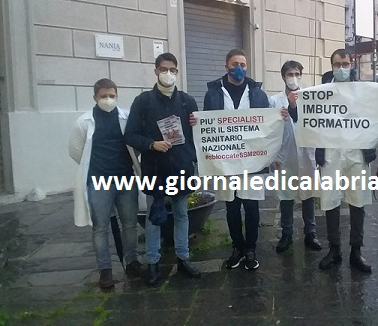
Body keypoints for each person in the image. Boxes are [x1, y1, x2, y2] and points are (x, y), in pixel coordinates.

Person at [203, 49, 288, 270]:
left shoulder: (258, 93)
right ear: (226, 66)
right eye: (234, 63)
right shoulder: (213, 92)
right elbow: (207, 127)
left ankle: (251, 249)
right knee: (231, 206)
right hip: (226, 161)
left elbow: (267, 125)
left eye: (242, 63)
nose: (239, 67)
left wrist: (280, 118)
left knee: (251, 207)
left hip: (252, 162)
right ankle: (237, 248)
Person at [124, 53, 201, 286]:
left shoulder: (187, 101)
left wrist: (199, 127)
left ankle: (183, 259)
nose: (168, 74)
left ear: (177, 72)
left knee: (181, 214)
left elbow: (196, 136)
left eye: (172, 70)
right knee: (153, 218)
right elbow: (130, 135)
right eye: (164, 69)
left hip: (181, 166)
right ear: (156, 71)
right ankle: (154, 263)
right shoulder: (143, 101)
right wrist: (151, 144)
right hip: (155, 168)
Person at [316, 49, 378, 273]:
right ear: (331, 65)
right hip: (330, 152)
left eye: (344, 63)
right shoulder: (320, 91)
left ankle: (356, 250)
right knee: (330, 201)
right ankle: (334, 249)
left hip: (357, 153)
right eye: (336, 64)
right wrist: (294, 106)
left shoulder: (364, 90)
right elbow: (304, 118)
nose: (341, 68)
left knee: (357, 201)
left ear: (351, 64)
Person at [68, 78, 142, 288]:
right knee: (100, 227)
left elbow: (134, 145)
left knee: (129, 223)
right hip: (99, 181)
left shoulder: (126, 118)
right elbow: (76, 151)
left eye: (112, 96)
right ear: (95, 97)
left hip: (126, 179)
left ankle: (133, 262)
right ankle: (105, 271)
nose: (108, 100)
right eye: (103, 96)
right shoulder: (84, 122)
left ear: (117, 96)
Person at [269, 60, 322, 253]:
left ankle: (310, 233)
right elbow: (270, 131)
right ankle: (287, 234)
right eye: (290, 74)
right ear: (283, 76)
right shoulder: (274, 101)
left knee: (308, 195)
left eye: (297, 74)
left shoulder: (309, 98)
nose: (294, 78)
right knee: (286, 196)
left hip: (307, 153)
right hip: (284, 155)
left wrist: (319, 155)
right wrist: (273, 155)